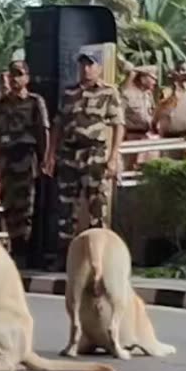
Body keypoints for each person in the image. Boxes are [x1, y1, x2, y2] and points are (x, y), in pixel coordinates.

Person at [42, 49, 125, 269]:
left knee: (97, 206)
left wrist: (114, 157)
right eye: (83, 65)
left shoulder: (108, 92)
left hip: (95, 154)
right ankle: (65, 256)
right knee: (65, 208)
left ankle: (101, 259)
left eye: (90, 65)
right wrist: (50, 155)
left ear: (99, 67)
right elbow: (58, 125)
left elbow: (118, 125)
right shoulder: (69, 93)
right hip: (69, 154)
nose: (86, 69)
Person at [0, 61, 50, 267]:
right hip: (8, 157)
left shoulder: (35, 102)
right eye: (12, 75)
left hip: (27, 157)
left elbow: (43, 131)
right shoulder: (2, 104)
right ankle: (15, 248)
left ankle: (27, 252)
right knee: (10, 205)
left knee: (28, 206)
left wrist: (45, 158)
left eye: (19, 75)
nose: (15, 79)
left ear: (27, 78)